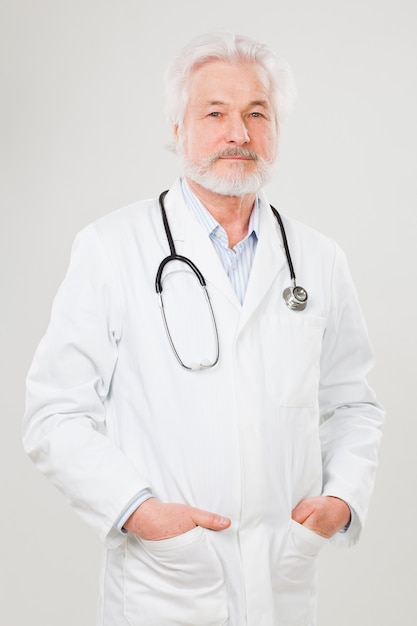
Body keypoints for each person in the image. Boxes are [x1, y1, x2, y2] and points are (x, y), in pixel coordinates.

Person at [23, 31, 384, 626]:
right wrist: (141, 514)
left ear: (275, 130)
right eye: (215, 113)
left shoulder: (318, 260)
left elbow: (353, 406)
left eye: (256, 113)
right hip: (166, 583)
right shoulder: (113, 249)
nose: (238, 133)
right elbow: (54, 414)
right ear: (178, 129)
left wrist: (340, 500)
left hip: (281, 578)